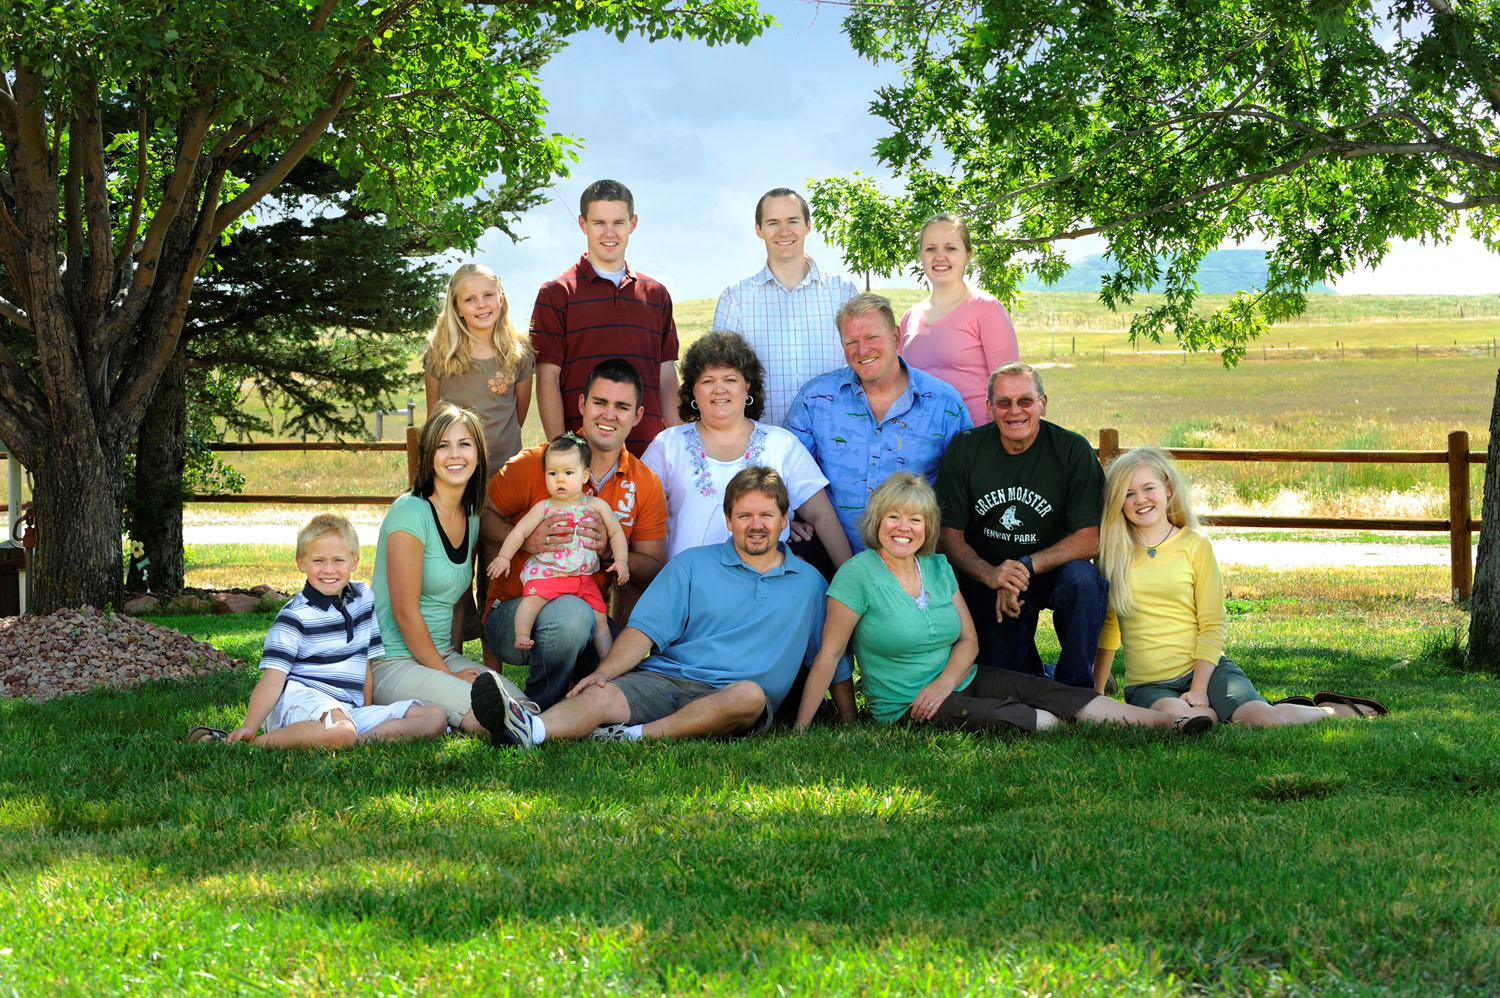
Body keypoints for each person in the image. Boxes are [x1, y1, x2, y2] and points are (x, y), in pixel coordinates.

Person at [795, 474, 1211, 736]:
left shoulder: (937, 567)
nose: (904, 528)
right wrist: (801, 730)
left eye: (916, 520)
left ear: (928, 528)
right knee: (1036, 718)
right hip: (907, 706)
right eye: (893, 518)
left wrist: (944, 683)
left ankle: (1164, 722)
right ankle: (1085, 727)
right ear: (876, 522)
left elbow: (968, 641)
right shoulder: (857, 574)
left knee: (1049, 690)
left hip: (961, 678)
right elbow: (830, 654)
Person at [472, 467, 850, 748]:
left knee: (750, 695)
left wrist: (850, 720)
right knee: (599, 695)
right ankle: (530, 729)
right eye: (744, 515)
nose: (756, 525)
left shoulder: (810, 584)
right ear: (727, 520)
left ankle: (632, 737)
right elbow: (643, 631)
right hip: (667, 678)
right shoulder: (692, 565)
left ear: (784, 520)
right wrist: (603, 673)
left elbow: (830, 657)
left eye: (766, 515)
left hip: (733, 696)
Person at [1094, 447, 1388, 724]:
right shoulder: (1114, 554)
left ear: (1168, 489)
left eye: (1149, 488)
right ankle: (1212, 712)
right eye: (1128, 493)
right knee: (1181, 720)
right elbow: (1110, 627)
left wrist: (1199, 689)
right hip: (1150, 685)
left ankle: (1330, 710)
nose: (1140, 500)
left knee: (1264, 720)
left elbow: (1212, 624)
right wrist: (1095, 693)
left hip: (1207, 671)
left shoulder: (1194, 546)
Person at [482, 359, 669, 710]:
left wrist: (610, 553)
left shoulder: (645, 483)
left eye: (622, 407)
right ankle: (537, 710)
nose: (608, 415)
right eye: (600, 402)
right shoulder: (536, 463)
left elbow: (654, 565)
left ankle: (577, 708)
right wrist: (525, 538)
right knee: (571, 616)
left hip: (589, 610)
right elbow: (483, 514)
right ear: (582, 405)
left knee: (618, 658)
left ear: (638, 415)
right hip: (515, 613)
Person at [935, 361, 1108, 689]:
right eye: (1004, 402)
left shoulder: (1071, 451)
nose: (1015, 411)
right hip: (987, 574)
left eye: (1025, 400)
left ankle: (1076, 689)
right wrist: (992, 576)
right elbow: (949, 536)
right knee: (1004, 677)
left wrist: (1025, 567)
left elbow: (1091, 538)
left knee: (1083, 581)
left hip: (1048, 570)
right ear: (989, 408)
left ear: (1043, 404)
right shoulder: (966, 449)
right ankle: (1040, 673)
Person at [370, 403, 531, 734]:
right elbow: (404, 612)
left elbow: (458, 604)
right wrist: (446, 675)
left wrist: (453, 664)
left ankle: (450, 710)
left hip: (439, 657)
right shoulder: (409, 512)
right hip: (393, 661)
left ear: (478, 454)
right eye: (443, 445)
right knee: (493, 720)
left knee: (523, 706)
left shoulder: (471, 516)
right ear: (429, 455)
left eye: (464, 444)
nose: (454, 454)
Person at [222, 514, 447, 747]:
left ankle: (351, 740)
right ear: (302, 562)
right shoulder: (294, 616)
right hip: (301, 703)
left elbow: (365, 664)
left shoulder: (364, 599)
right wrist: (250, 725)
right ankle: (256, 743)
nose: (329, 570)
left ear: (354, 562)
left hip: (346, 710)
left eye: (338, 560)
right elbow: (271, 681)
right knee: (341, 729)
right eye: (318, 561)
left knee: (434, 718)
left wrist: (367, 710)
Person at [642, 330, 852, 565]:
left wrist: (848, 582)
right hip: (686, 592)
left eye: (730, 380)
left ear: (747, 387)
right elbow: (638, 513)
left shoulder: (781, 444)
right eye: (708, 381)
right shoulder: (668, 445)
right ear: (693, 390)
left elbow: (822, 516)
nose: (719, 389)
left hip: (766, 591)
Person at [785, 292, 971, 554]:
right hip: (831, 558)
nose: (862, 351)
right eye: (851, 342)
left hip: (916, 563)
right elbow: (786, 470)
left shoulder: (944, 403)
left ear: (895, 337)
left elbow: (965, 486)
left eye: (872, 337)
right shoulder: (815, 398)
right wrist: (785, 515)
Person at [423, 262, 535, 648]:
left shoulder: (517, 354)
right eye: (470, 299)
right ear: (456, 307)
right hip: (453, 479)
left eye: (488, 295)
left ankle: (493, 664)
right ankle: (449, 655)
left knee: (494, 568)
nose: (481, 305)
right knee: (454, 569)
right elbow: (434, 418)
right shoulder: (441, 355)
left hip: (501, 481)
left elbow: (517, 415)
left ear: (501, 298)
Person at [531, 179, 679, 456]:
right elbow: (548, 378)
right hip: (582, 456)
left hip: (650, 455)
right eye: (599, 223)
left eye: (618, 223)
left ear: (632, 224)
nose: (609, 233)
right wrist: (561, 452)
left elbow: (667, 377)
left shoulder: (656, 295)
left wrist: (681, 442)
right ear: (583, 224)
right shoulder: (555, 294)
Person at [712, 187, 859, 425]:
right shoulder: (735, 300)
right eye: (773, 223)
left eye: (792, 221)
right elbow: (721, 377)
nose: (784, 231)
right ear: (758, 229)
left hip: (837, 438)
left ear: (808, 225)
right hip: (763, 443)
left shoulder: (843, 292)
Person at [486, 433, 629, 658]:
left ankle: (606, 663)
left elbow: (616, 533)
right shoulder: (544, 507)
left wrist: (621, 561)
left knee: (600, 619)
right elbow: (519, 532)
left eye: (568, 473)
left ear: (585, 476)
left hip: (582, 578)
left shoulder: (597, 506)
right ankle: (522, 635)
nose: (559, 479)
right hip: (548, 575)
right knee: (531, 602)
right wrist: (504, 557)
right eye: (552, 473)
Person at [898, 215, 1019, 426]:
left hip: (975, 441)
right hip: (921, 443)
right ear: (921, 256)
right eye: (930, 249)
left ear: (968, 255)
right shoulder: (909, 318)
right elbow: (897, 385)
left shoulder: (987, 309)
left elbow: (1010, 385)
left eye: (951, 248)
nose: (940, 256)